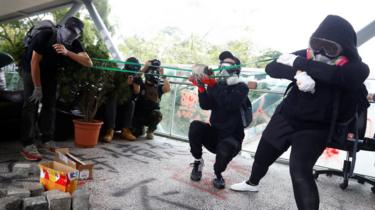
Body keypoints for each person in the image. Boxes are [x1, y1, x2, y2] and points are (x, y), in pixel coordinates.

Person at [230, 15, 369, 210]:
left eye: (329, 48)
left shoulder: (356, 67)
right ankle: (252, 183)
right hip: (285, 117)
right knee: (262, 156)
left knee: (300, 172)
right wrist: (298, 73)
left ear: (344, 46)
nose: (320, 51)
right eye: (317, 44)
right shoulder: (307, 54)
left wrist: (301, 64)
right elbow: (272, 67)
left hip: (316, 128)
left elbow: (338, 76)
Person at [21, 17, 93, 161]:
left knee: (50, 106)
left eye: (76, 34)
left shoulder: (73, 43)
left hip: (51, 74)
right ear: (62, 27)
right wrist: (37, 87)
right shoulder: (46, 35)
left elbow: (88, 62)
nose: (72, 35)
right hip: (31, 70)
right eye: (70, 31)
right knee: (31, 105)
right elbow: (34, 62)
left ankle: (46, 139)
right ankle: (27, 143)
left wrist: (67, 52)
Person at [188, 51, 249, 189]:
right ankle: (198, 161)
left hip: (232, 138)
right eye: (222, 64)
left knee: (225, 148)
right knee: (195, 126)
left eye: (228, 64)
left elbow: (230, 104)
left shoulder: (241, 87)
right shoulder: (216, 85)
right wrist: (201, 88)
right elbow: (206, 105)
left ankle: (218, 174)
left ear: (236, 69)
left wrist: (213, 85)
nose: (223, 67)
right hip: (215, 134)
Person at [103, 57, 142, 142]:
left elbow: (136, 94)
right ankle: (110, 130)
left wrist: (136, 86)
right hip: (115, 99)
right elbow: (112, 92)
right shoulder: (118, 74)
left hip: (126, 101)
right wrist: (125, 84)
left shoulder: (137, 77)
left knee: (131, 103)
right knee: (112, 100)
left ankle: (125, 130)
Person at [132, 59, 170, 139]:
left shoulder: (158, 87)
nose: (153, 73)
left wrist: (163, 75)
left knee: (157, 114)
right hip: (139, 114)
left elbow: (167, 88)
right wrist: (145, 68)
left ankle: (150, 131)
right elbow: (135, 78)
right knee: (136, 134)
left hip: (151, 115)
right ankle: (140, 128)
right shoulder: (142, 84)